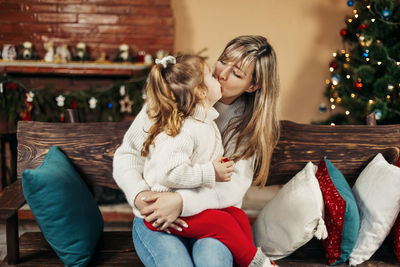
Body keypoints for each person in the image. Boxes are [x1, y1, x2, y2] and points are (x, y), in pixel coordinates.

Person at [113, 35, 280, 267]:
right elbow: (128, 155)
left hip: (211, 217)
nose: (222, 73)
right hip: (157, 214)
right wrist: (140, 196)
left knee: (213, 259)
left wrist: (181, 201)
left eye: (237, 74)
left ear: (253, 86)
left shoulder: (247, 126)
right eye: (223, 61)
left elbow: (231, 187)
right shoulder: (174, 94)